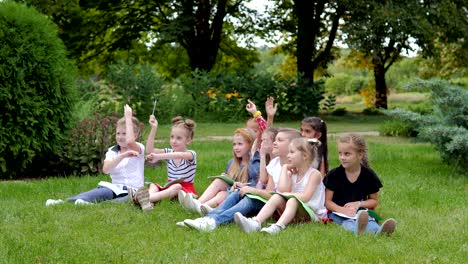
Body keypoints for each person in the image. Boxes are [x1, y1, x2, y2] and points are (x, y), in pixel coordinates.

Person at [180, 128, 302, 232]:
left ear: (292, 145)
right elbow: (270, 191)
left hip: (278, 207)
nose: (274, 142)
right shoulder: (274, 164)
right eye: (275, 140)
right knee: (237, 192)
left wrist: (254, 191)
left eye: (279, 140)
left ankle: (213, 222)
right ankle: (207, 218)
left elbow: (279, 195)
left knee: (250, 199)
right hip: (268, 201)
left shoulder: (295, 167)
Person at [45, 105, 145, 206]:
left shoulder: (139, 148)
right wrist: (121, 156)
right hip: (115, 188)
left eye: (124, 133)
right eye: (118, 133)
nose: (120, 137)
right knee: (97, 193)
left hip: (134, 191)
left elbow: (130, 141)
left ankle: (92, 205)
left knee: (122, 201)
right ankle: (63, 202)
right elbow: (106, 169)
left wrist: (128, 117)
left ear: (135, 135)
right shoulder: (112, 151)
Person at [235, 137, 326, 234]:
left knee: (292, 200)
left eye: (292, 152)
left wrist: (287, 194)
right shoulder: (293, 172)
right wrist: (285, 168)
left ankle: (278, 227)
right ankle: (255, 223)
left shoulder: (314, 174)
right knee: (277, 197)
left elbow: (306, 197)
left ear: (304, 156)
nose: (288, 155)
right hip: (296, 212)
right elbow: (282, 190)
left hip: (313, 213)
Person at [323, 133, 397, 236]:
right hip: (337, 212)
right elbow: (327, 202)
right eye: (340, 153)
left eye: (347, 154)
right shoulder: (333, 175)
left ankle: (380, 232)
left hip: (360, 212)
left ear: (360, 155)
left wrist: (358, 204)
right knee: (347, 222)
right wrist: (342, 210)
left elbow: (374, 201)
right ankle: (357, 231)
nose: (342, 157)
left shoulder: (369, 175)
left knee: (369, 220)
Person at [179, 128, 260, 214]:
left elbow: (256, 186)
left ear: (251, 145)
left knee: (223, 193)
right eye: (234, 144)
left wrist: (240, 186)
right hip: (232, 193)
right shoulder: (232, 163)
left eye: (240, 144)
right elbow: (230, 181)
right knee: (220, 184)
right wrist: (226, 177)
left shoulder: (255, 164)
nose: (236, 147)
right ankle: (199, 205)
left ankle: (198, 206)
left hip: (244, 197)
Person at [133, 115, 197, 212]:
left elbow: (179, 155)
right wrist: (154, 128)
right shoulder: (169, 151)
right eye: (172, 137)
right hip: (169, 187)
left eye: (179, 138)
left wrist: (158, 157)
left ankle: (145, 199)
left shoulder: (191, 154)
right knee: (154, 185)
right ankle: (147, 202)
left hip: (184, 189)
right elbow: (150, 150)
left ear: (188, 140)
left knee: (177, 187)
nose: (174, 141)